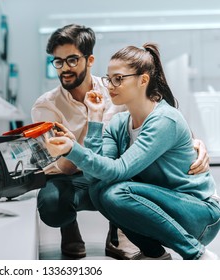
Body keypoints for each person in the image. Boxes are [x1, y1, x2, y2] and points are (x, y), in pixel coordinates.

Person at [31, 24, 210, 259]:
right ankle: (152, 254)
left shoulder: (120, 93)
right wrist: (91, 123)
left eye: (72, 60)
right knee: (83, 193)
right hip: (74, 176)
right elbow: (69, 165)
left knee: (115, 189)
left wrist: (197, 143)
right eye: (58, 61)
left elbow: (162, 124)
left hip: (172, 198)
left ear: (89, 59)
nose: (65, 68)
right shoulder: (47, 105)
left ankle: (190, 253)